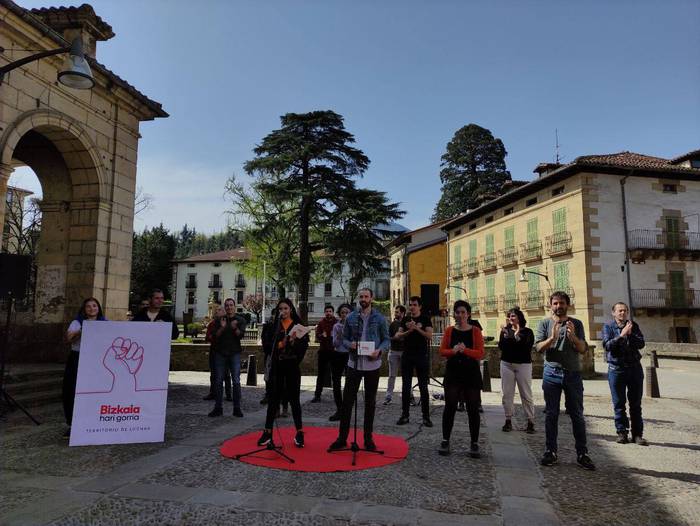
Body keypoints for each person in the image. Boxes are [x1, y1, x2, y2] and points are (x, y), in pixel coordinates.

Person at [535, 291, 595, 470]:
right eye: (555, 303)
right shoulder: (545, 323)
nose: (558, 306)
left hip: (573, 374)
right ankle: (550, 451)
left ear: (567, 305)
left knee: (577, 415)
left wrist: (574, 338)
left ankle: (582, 453)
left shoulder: (576, 323)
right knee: (551, 414)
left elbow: (583, 348)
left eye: (561, 303)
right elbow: (538, 347)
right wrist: (552, 338)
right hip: (551, 373)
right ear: (550, 305)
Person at [328, 288, 390, 452]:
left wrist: (379, 351)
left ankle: (368, 439)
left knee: (370, 403)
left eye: (366, 296)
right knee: (347, 402)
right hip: (354, 364)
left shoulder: (379, 318)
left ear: (372, 298)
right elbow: (344, 339)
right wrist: (350, 345)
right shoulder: (351, 317)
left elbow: (386, 340)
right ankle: (342, 438)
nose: (363, 299)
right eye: (361, 296)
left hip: (372, 365)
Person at [258, 298, 309, 447]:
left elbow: (303, 347)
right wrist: (282, 343)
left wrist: (294, 344)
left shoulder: (297, 326)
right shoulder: (273, 326)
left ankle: (299, 433)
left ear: (291, 309)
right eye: (280, 309)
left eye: (285, 309)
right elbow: (267, 347)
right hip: (277, 367)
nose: (283, 312)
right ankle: (267, 433)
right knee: (273, 400)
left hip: (292, 366)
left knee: (294, 400)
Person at [438, 300, 484, 457]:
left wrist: (465, 351)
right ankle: (445, 440)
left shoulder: (475, 331)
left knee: (473, 408)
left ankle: (474, 443)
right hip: (453, 373)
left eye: (463, 312)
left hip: (471, 373)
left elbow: (480, 353)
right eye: (457, 312)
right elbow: (442, 351)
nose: (460, 315)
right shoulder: (449, 330)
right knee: (449, 407)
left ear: (468, 314)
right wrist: (453, 351)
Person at [602, 302, 648, 446]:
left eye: (625, 311)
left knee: (636, 404)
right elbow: (607, 346)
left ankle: (637, 435)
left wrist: (630, 334)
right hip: (616, 369)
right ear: (613, 313)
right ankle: (622, 433)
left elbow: (641, 344)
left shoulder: (633, 326)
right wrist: (622, 335)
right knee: (619, 403)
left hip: (634, 368)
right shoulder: (608, 327)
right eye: (620, 311)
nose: (622, 313)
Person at [63, 297, 107, 437]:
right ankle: (73, 423)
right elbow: (69, 338)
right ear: (84, 309)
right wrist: (83, 329)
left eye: (94, 306)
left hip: (96, 360)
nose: (92, 308)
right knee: (72, 390)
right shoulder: (77, 323)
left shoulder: (105, 323)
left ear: (98, 308)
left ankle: (94, 421)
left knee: (96, 391)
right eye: (88, 306)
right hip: (78, 358)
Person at [396, 296, 434, 427]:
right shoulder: (406, 319)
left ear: (420, 306)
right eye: (410, 304)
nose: (411, 307)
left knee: (423, 387)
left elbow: (429, 336)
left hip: (421, 356)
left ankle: (426, 417)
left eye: (414, 305)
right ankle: (404, 415)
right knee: (406, 387)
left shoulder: (425, 319)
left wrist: (417, 329)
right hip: (407, 356)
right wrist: (409, 330)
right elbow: (397, 336)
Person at [498, 307, 536, 433]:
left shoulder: (528, 332)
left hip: (523, 365)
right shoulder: (505, 331)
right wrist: (505, 336)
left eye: (513, 316)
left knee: (526, 394)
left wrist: (516, 336)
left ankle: (530, 421)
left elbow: (527, 347)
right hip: (506, 364)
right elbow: (501, 347)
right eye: (509, 316)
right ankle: (508, 420)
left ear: (519, 317)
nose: (510, 318)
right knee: (507, 394)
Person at [208, 298, 247, 418]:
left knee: (236, 380)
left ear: (234, 306)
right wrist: (222, 327)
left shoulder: (240, 320)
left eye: (231, 305)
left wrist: (235, 328)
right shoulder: (219, 320)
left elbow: (241, 336)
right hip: (220, 353)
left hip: (234, 353)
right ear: (225, 307)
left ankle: (237, 408)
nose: (229, 307)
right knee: (219, 380)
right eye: (227, 305)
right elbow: (214, 336)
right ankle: (218, 407)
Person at [329, 303, 353, 421]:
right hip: (338, 355)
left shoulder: (353, 326)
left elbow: (354, 344)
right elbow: (335, 344)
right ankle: (339, 409)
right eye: (342, 313)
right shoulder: (336, 326)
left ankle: (346, 409)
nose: (344, 315)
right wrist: (339, 336)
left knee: (349, 383)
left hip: (349, 356)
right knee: (336, 383)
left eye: (347, 312)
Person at [203, 305, 232, 402]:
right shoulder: (212, 324)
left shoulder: (229, 323)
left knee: (226, 374)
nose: (217, 311)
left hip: (225, 351)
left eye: (220, 310)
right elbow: (207, 338)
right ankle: (213, 393)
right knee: (213, 373)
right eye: (217, 310)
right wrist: (214, 337)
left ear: (224, 312)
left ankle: (229, 395)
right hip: (215, 350)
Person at [312, 305, 337, 403]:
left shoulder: (337, 322)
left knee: (335, 375)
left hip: (334, 352)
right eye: (327, 311)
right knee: (320, 375)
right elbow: (317, 337)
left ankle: (337, 395)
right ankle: (317, 395)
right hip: (323, 351)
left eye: (330, 311)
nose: (328, 313)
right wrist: (321, 335)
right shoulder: (321, 323)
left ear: (333, 312)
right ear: (324, 312)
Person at [384, 305, 406, 405]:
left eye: (397, 312)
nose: (395, 313)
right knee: (392, 375)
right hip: (393, 351)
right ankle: (388, 396)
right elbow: (388, 337)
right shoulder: (393, 324)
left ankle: (409, 397)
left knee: (406, 375)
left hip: (405, 352)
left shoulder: (407, 324)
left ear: (402, 313)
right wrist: (396, 338)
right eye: (395, 312)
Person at [259, 307, 278, 405]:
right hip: (269, 354)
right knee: (268, 376)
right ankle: (268, 394)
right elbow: (264, 339)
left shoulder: (282, 327)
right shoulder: (268, 326)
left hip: (279, 355)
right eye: (275, 314)